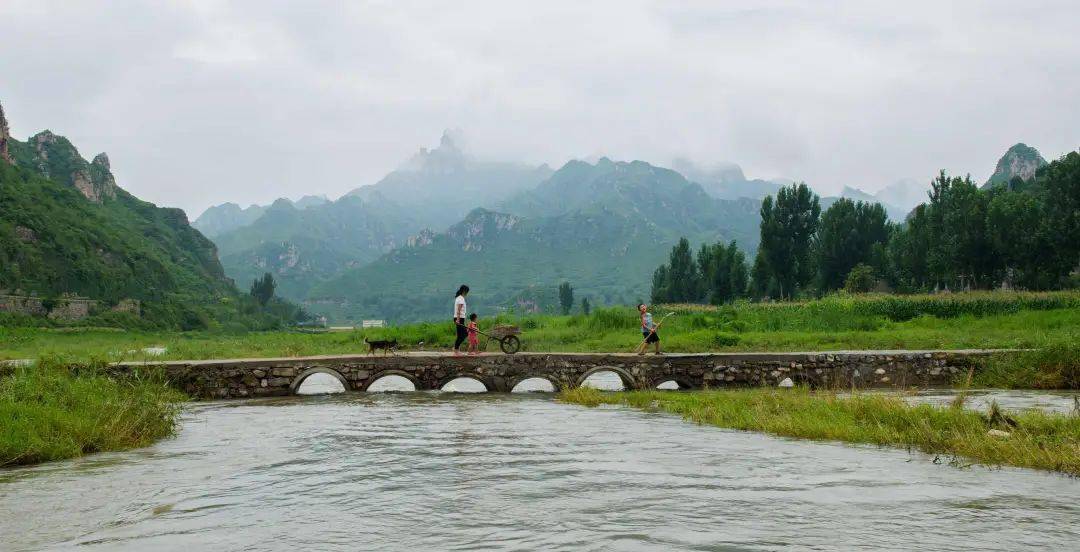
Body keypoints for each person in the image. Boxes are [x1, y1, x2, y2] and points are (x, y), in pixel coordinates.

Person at [453, 284, 470, 355]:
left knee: (460, 335)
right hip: (459, 318)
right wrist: (458, 319)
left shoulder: (459, 298)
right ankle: (456, 349)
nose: (467, 293)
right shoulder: (461, 298)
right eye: (467, 292)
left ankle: (457, 349)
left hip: (460, 318)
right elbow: (458, 310)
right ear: (464, 291)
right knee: (464, 334)